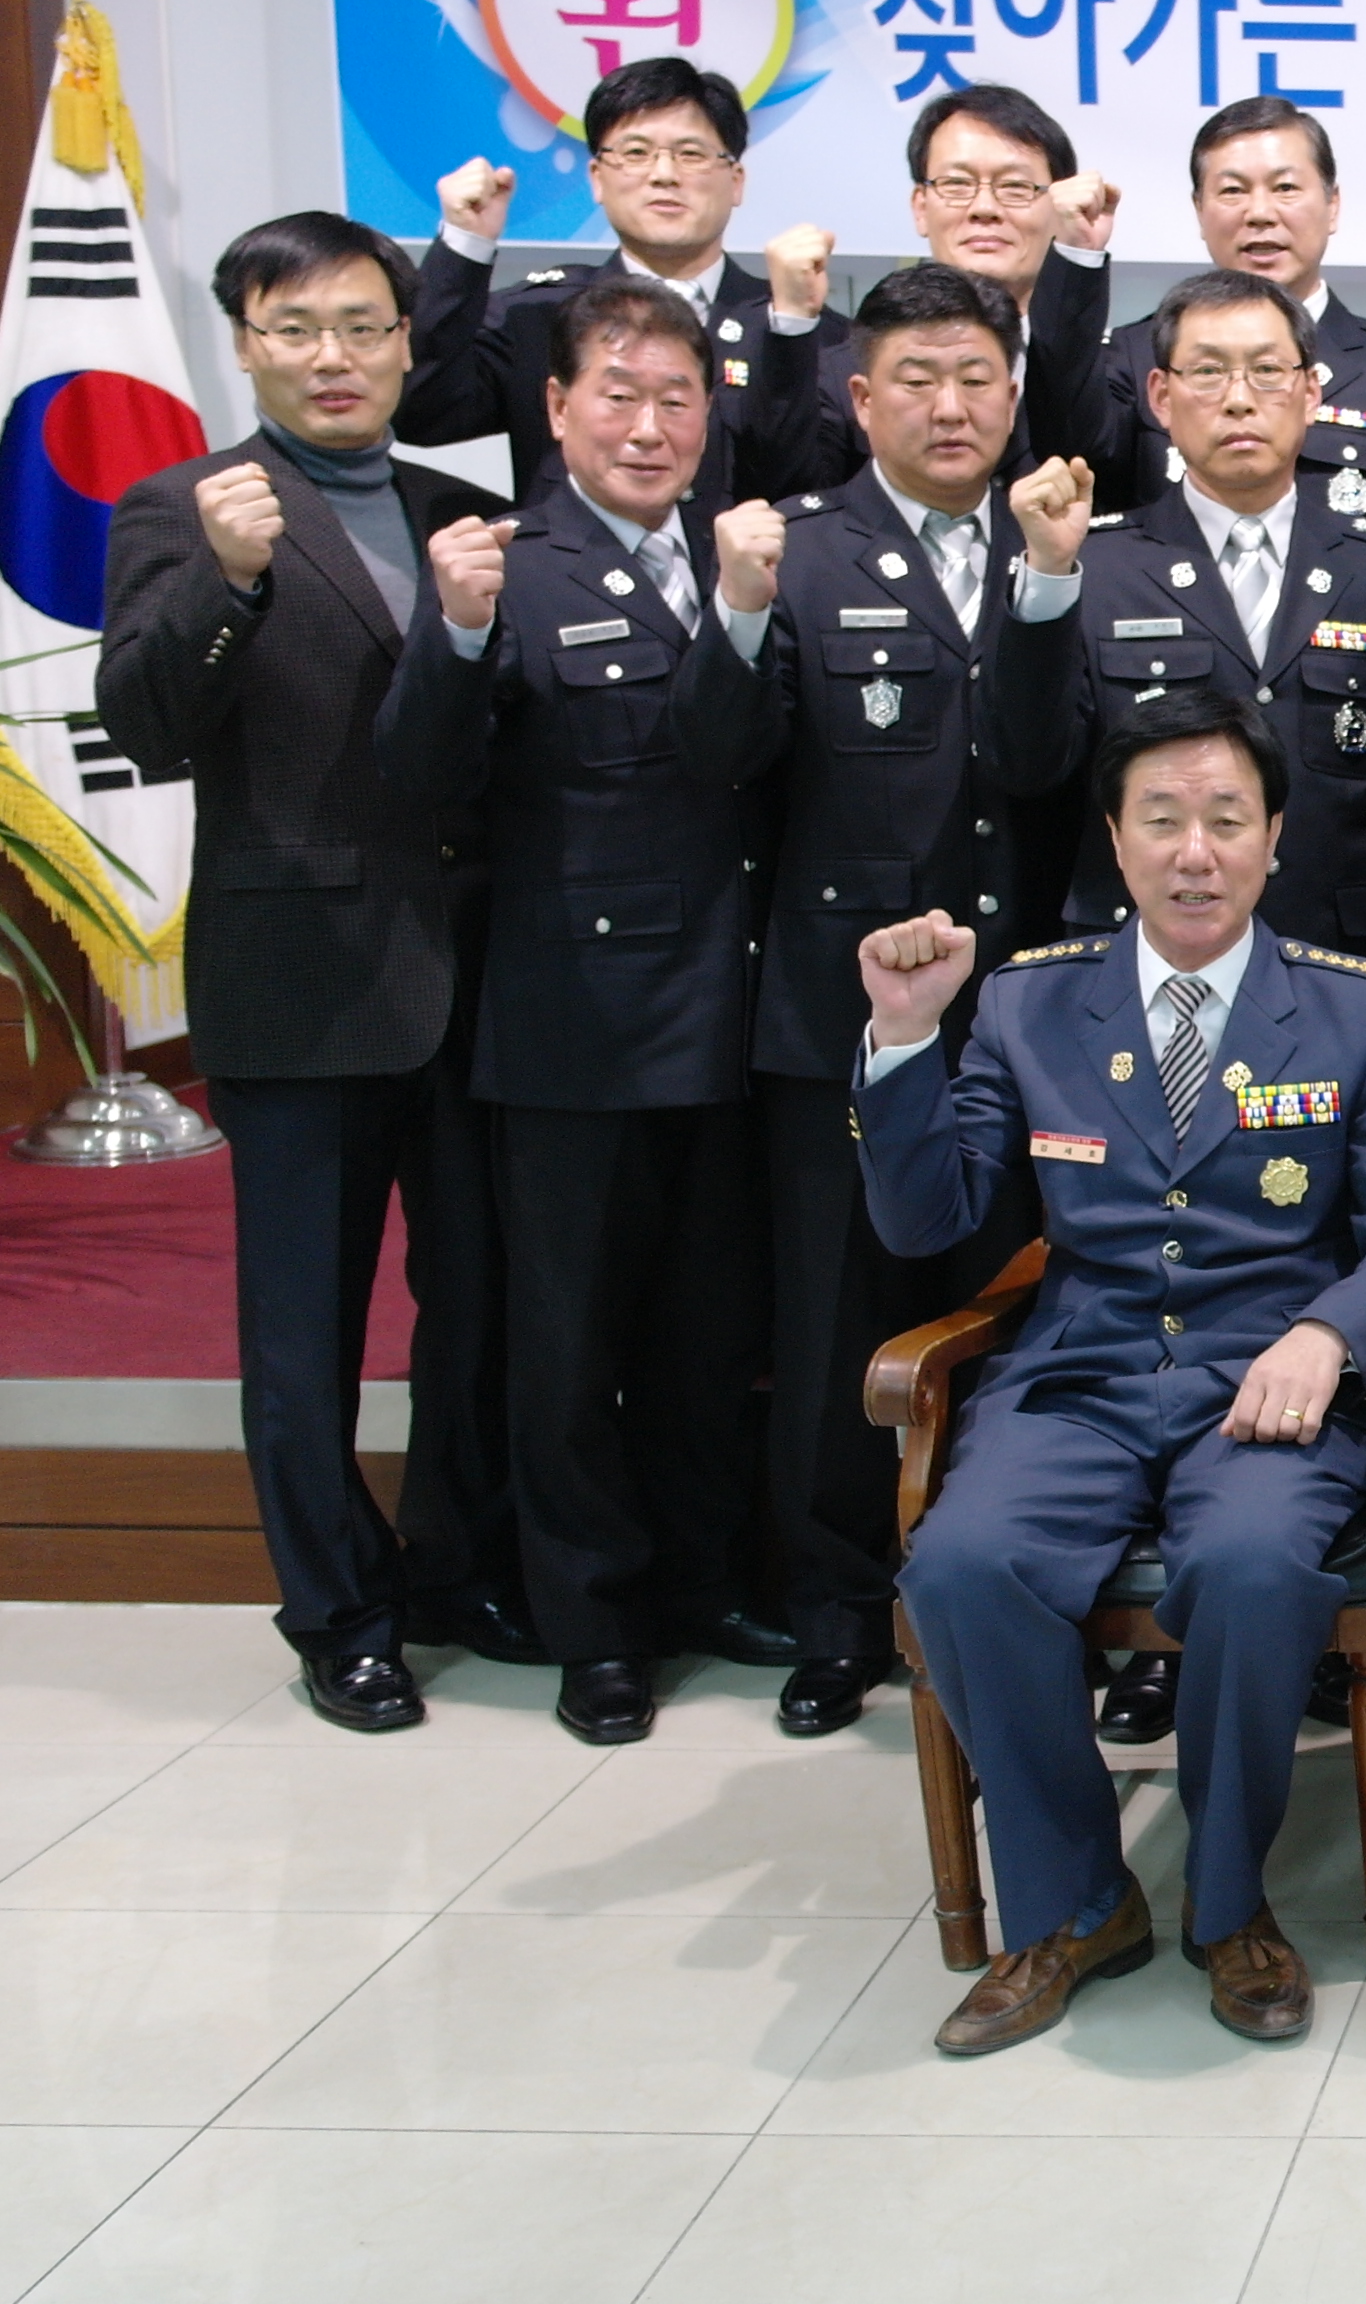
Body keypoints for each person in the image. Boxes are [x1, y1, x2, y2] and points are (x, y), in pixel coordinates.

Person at [861, 690, 1366, 2054]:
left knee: (1253, 1571)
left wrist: (1328, 1333)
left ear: (1274, 840)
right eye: (1164, 821)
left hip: (1269, 1387)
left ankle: (1228, 1903)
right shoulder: (1027, 1003)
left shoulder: (1354, 1013)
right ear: (1117, 839)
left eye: (1226, 821)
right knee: (960, 1566)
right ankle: (1079, 1900)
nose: (1196, 853)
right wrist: (904, 1036)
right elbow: (927, 1221)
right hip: (1079, 1375)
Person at [96, 212, 522, 1730]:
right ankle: (338, 1611)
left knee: (479, 1308)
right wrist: (226, 581)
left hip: (477, 978)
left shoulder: (461, 507)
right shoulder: (184, 507)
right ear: (247, 346)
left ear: (407, 343)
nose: (332, 357)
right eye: (295, 329)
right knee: (306, 1331)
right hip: (301, 978)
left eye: (360, 326)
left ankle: (451, 1566)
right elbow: (144, 724)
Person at [373, 274, 793, 1744]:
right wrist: (453, 629)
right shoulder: (509, 567)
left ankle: (700, 1582)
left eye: (679, 399)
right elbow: (423, 777)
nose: (651, 427)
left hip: (731, 1012)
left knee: (708, 1332)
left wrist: (743, 607)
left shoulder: (739, 554)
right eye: (619, 395)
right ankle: (594, 1625)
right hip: (576, 1022)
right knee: (567, 1346)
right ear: (555, 409)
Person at [743, 261, 1083, 1737]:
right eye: (919, 380)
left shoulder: (1062, 545)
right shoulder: (798, 551)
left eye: (978, 379)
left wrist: (1049, 583)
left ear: (1015, 392)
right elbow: (732, 767)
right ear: (859, 394)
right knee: (835, 1318)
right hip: (846, 1009)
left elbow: (1048, 764)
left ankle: (1020, 1589)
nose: (952, 407)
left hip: (1031, 1015)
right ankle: (836, 1613)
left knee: (1017, 1305)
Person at [988, 268, 1366, 968]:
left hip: (1337, 965)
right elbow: (1029, 767)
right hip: (1137, 959)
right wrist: (1049, 578)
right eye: (1208, 372)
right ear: (1160, 396)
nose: (1239, 399)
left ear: (1311, 393)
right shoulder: (1094, 569)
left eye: (1267, 371)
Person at [398, 55, 835, 516]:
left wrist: (791, 327)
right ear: (597, 179)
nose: (664, 174)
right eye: (636, 153)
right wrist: (465, 244)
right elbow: (421, 412)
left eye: (690, 154)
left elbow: (822, 490)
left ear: (736, 180)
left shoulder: (800, 328)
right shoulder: (538, 315)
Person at [1031, 97, 1366, 538]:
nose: (1260, 214)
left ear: (1333, 205)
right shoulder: (1135, 358)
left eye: (1285, 188)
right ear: (1199, 210)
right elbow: (1066, 442)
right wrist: (1076, 256)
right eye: (1232, 191)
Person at [776, 84, 1112, 492]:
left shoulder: (1113, 370)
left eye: (1015, 187)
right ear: (921, 207)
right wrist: (791, 322)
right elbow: (793, 491)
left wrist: (1077, 254)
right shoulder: (847, 367)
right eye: (957, 184)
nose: (985, 208)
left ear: (1058, 206)